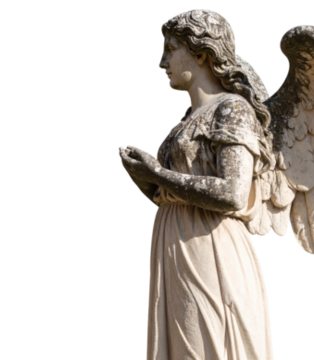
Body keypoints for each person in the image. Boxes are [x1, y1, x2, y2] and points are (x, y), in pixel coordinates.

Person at [118, 10, 276, 359]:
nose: (162, 61)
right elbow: (168, 191)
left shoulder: (233, 110)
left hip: (212, 248)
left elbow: (233, 193)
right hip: (176, 247)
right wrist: (146, 179)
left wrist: (158, 175)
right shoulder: (182, 124)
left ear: (201, 53)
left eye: (171, 49)